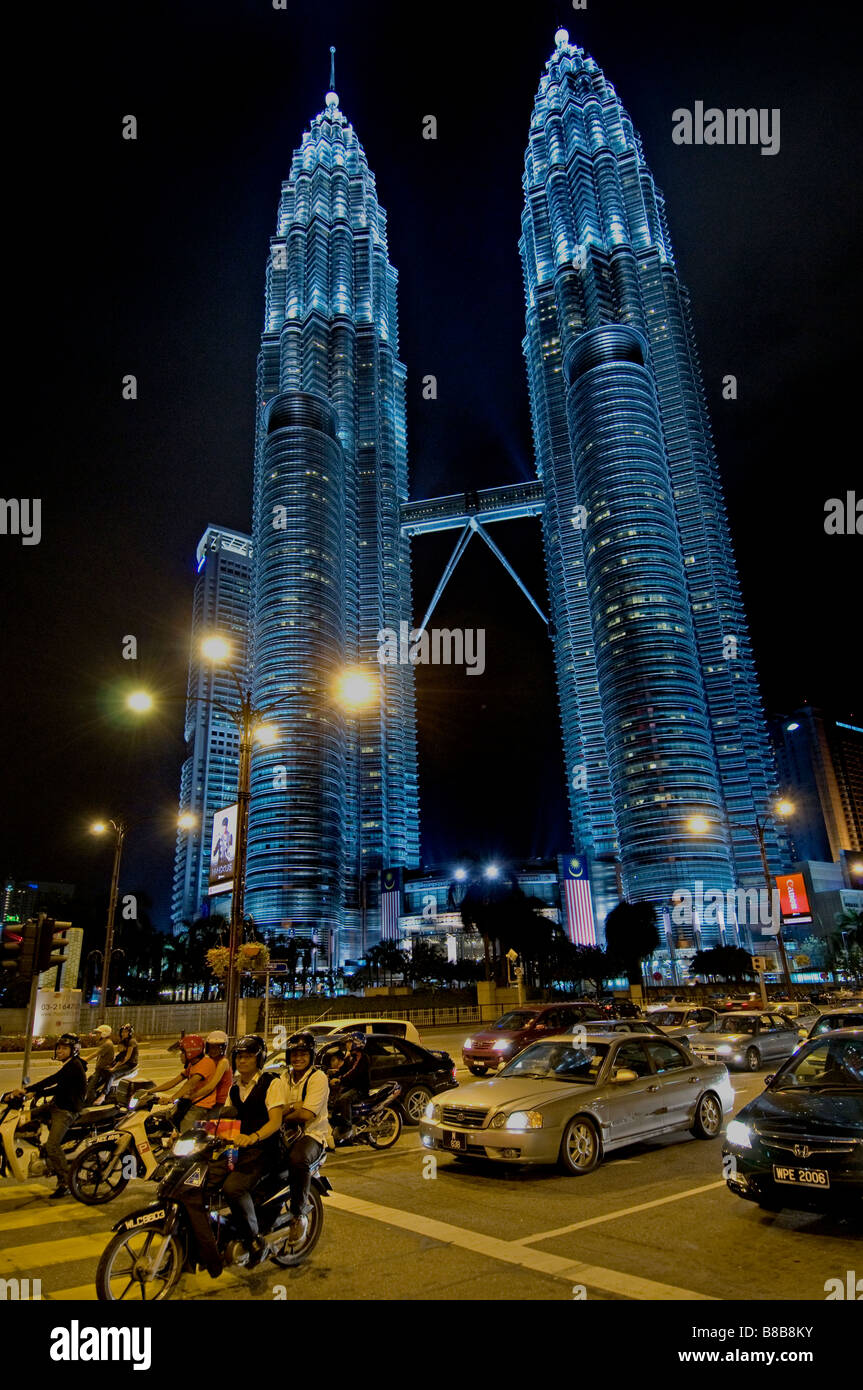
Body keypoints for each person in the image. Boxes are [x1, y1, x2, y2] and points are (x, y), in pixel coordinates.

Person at [177, 1034, 284, 1278]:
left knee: (233, 1188)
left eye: (249, 1056)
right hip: (237, 1148)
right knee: (199, 1181)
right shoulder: (235, 1087)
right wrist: (195, 1135)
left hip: (264, 1149)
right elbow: (224, 1118)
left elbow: (276, 1122)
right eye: (240, 1056)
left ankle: (254, 1239)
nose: (244, 1061)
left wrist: (254, 1136)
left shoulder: (271, 1083)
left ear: (260, 1059)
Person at [269, 1031, 330, 1243]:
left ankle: (299, 1213)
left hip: (312, 1135)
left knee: (298, 1159)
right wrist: (290, 1107)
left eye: (303, 1054)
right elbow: (275, 1108)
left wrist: (285, 1111)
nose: (298, 1058)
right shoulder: (283, 1078)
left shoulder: (318, 1078)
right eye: (294, 1054)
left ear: (311, 1055)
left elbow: (306, 1114)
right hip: (285, 1133)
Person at [11, 1033, 87, 1199]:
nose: (60, 1050)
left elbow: (53, 1081)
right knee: (23, 1118)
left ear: (74, 1050)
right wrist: (32, 1094)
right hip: (55, 1105)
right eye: (59, 1047)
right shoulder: (69, 1064)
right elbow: (59, 1087)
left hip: (67, 1111)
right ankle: (37, 1149)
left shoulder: (74, 1065)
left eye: (64, 1048)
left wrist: (29, 1090)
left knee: (52, 1145)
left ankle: (66, 1182)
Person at [154, 1034, 217, 1131]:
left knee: (184, 1132)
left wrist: (171, 1098)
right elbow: (174, 1082)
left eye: (182, 1052)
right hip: (188, 1102)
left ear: (191, 1052)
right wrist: (150, 1091)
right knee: (158, 1118)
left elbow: (189, 1084)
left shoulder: (206, 1063)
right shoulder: (192, 1064)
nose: (180, 1055)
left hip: (201, 1105)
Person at [329, 1032, 370, 1139]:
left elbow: (353, 1073)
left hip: (360, 1089)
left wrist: (339, 1079)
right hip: (351, 1087)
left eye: (349, 1042)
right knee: (334, 1100)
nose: (347, 1045)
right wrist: (333, 1073)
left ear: (356, 1043)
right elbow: (343, 1069)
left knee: (344, 1099)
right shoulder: (351, 1057)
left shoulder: (362, 1057)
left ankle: (347, 1127)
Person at [83, 1024, 115, 1104]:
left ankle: (90, 1104)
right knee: (88, 1082)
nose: (96, 1035)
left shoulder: (107, 1044)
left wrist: (83, 1060)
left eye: (98, 1033)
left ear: (104, 1034)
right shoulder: (104, 1043)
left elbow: (95, 1054)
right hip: (99, 1070)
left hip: (102, 1071)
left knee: (90, 1087)